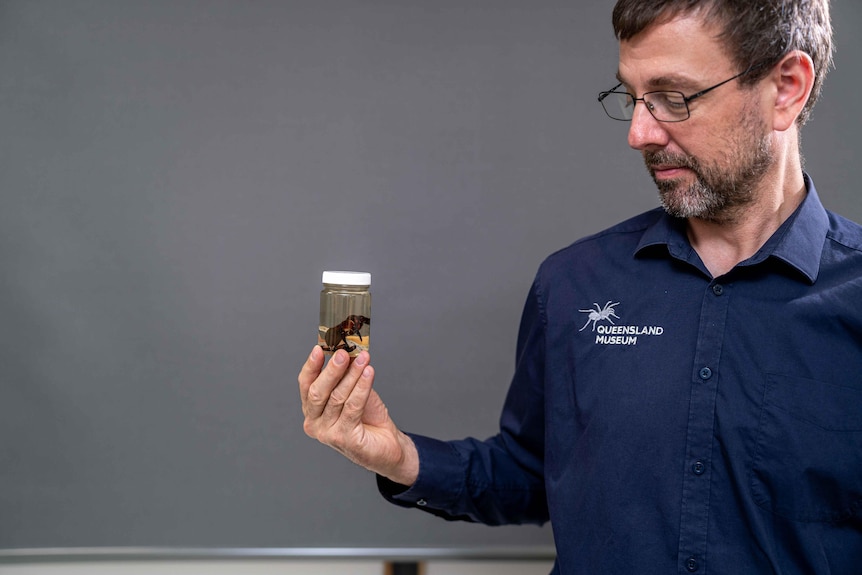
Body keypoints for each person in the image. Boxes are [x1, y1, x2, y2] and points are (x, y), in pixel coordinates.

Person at [299, 0, 862, 572]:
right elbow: (530, 475)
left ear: (786, 87)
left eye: (674, 97)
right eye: (633, 97)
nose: (640, 133)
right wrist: (401, 458)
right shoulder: (573, 283)